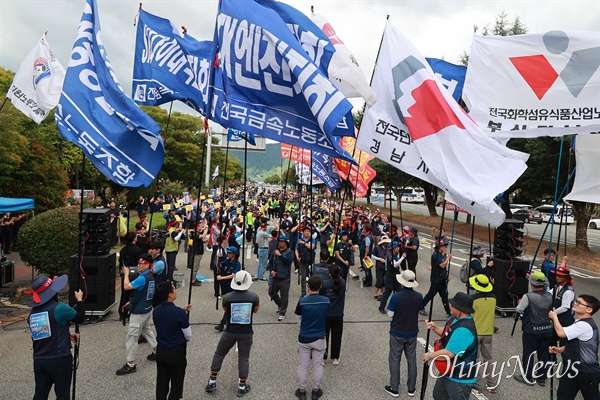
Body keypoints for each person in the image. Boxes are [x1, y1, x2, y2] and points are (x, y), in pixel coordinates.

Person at [26, 275, 85, 400]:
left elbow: (43, 333)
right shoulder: (60, 308)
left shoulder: (32, 314)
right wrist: (79, 300)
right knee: (62, 394)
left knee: (40, 394)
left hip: (40, 360)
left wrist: (67, 335)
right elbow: (80, 318)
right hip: (60, 359)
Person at [206, 271, 259, 398]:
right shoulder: (254, 297)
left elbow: (226, 310)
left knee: (219, 353)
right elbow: (255, 310)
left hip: (229, 331)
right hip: (246, 332)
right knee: (244, 358)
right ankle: (242, 386)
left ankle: (212, 381)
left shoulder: (227, 297)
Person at [422, 292, 479, 400]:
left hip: (459, 378)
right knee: (438, 396)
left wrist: (430, 356)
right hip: (447, 371)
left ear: (461, 309)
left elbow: (448, 354)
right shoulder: (454, 318)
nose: (451, 308)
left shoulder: (464, 330)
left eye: (453, 306)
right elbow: (445, 332)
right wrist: (434, 327)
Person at [549, 294, 600, 399]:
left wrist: (554, 317)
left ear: (589, 309)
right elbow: (576, 344)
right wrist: (559, 349)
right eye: (576, 301)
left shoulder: (585, 325)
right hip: (571, 369)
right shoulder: (578, 323)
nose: (575, 304)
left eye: (579, 303)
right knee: (563, 396)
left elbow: (561, 333)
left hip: (586, 371)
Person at [117, 254, 158, 375]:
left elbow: (126, 286)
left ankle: (131, 364)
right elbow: (144, 292)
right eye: (139, 263)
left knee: (131, 338)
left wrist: (126, 273)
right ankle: (157, 351)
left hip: (139, 312)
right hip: (147, 308)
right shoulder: (150, 276)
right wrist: (132, 301)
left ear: (147, 265)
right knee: (147, 330)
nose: (138, 266)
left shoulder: (142, 278)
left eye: (141, 264)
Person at [152, 281, 192, 400]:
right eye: (174, 289)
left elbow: (169, 317)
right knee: (176, 386)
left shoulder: (156, 311)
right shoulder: (179, 313)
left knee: (162, 384)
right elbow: (188, 336)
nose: (175, 291)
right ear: (170, 294)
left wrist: (182, 310)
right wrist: (182, 313)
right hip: (176, 353)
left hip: (161, 351)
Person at [385, 270, 422, 398]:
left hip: (397, 331)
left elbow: (390, 314)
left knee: (395, 359)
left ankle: (394, 387)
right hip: (412, 331)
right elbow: (419, 309)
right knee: (412, 359)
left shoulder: (396, 296)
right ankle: (411, 388)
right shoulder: (419, 296)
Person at [513, 271, 553, 386]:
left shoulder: (528, 296)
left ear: (532, 283)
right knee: (544, 353)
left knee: (529, 353)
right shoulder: (550, 295)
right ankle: (542, 377)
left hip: (531, 329)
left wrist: (520, 303)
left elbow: (519, 309)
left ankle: (527, 376)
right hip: (547, 328)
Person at [294, 275, 330, 400]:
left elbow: (298, 317)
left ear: (308, 286)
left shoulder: (302, 301)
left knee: (303, 364)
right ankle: (315, 390)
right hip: (319, 336)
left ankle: (302, 390)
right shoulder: (326, 301)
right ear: (321, 286)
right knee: (318, 365)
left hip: (304, 336)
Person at [469, 274, 498, 394]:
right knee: (488, 358)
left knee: (475, 359)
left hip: (476, 332)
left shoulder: (473, 299)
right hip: (488, 332)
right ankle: (492, 385)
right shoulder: (493, 298)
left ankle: (477, 384)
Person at [320, 264, 346, 365]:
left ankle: (323, 356)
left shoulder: (324, 284)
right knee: (337, 336)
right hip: (338, 314)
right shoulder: (342, 283)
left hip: (326, 314)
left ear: (329, 274)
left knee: (324, 336)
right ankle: (335, 357)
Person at [420, 239, 451, 317]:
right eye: (444, 246)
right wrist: (448, 258)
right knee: (431, 294)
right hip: (436, 279)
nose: (445, 247)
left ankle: (448, 311)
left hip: (442, 279)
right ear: (439, 247)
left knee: (444, 295)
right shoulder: (435, 255)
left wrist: (446, 276)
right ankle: (421, 307)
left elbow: (444, 268)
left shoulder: (441, 255)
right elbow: (442, 265)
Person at [215, 246, 242, 332]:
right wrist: (217, 258)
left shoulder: (237, 264)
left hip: (232, 287)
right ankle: (230, 322)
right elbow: (218, 265)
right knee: (228, 306)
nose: (228, 254)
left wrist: (222, 278)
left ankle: (222, 324)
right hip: (225, 287)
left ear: (234, 254)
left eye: (230, 253)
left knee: (229, 305)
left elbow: (233, 275)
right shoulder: (227, 261)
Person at [269, 234, 294, 321]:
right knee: (271, 292)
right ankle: (279, 304)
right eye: (279, 241)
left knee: (284, 296)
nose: (280, 243)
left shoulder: (289, 252)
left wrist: (280, 255)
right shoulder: (274, 252)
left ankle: (282, 312)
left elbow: (288, 261)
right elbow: (271, 262)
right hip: (275, 277)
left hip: (285, 278)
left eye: (282, 242)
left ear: (286, 243)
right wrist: (271, 270)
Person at [549, 262, 576, 345]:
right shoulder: (557, 286)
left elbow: (565, 307)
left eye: (560, 275)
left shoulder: (568, 291)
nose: (557, 277)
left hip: (566, 322)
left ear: (566, 277)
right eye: (557, 275)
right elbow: (548, 293)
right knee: (551, 342)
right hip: (556, 320)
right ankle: (552, 357)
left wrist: (552, 313)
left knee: (565, 346)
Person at [379, 242, 405, 314]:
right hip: (389, 277)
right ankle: (381, 307)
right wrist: (402, 257)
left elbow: (398, 265)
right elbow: (395, 265)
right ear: (393, 248)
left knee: (400, 292)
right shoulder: (390, 255)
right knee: (388, 292)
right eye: (397, 247)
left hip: (396, 276)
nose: (398, 248)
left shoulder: (395, 255)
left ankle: (401, 307)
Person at [296, 225, 317, 296]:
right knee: (303, 278)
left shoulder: (312, 239)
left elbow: (312, 247)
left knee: (312, 278)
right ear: (303, 232)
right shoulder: (299, 240)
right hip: (302, 261)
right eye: (305, 231)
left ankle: (312, 291)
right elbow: (296, 249)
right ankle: (303, 292)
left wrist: (304, 243)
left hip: (310, 261)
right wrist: (297, 256)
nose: (307, 233)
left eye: (308, 231)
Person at [371, 236, 391, 301]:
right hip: (379, 267)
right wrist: (380, 259)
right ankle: (375, 294)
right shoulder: (377, 248)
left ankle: (382, 293)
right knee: (379, 281)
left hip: (386, 267)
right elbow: (372, 256)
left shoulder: (388, 248)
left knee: (384, 282)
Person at [189, 220, 208, 287]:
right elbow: (202, 236)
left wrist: (204, 241)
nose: (201, 226)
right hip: (197, 252)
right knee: (195, 267)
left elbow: (199, 240)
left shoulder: (196, 233)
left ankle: (194, 278)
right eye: (200, 226)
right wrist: (206, 229)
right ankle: (192, 280)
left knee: (196, 266)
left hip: (198, 251)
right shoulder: (196, 233)